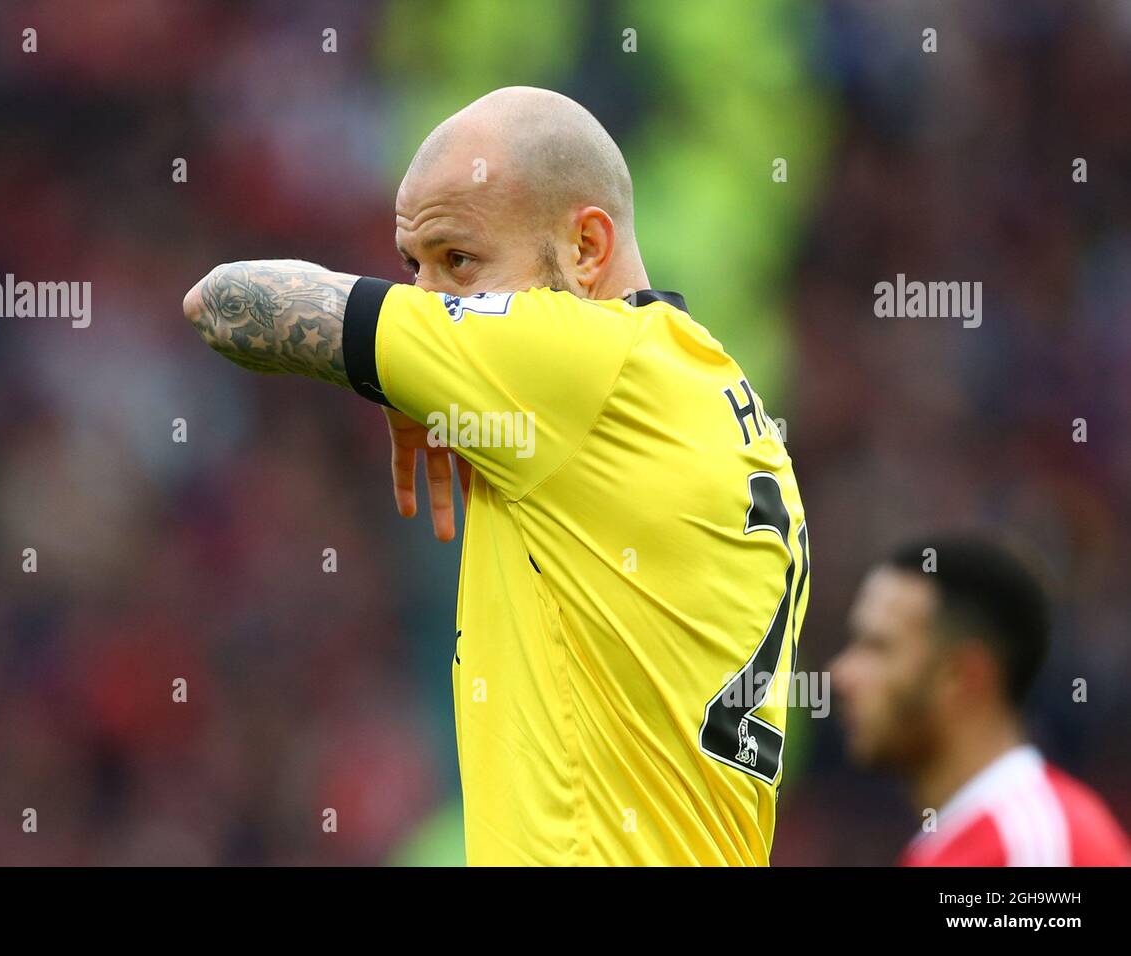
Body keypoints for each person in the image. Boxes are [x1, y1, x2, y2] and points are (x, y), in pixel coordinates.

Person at [184, 87, 809, 865]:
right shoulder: (721, 406)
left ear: (586, 248)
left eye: (459, 262)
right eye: (413, 268)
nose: (430, 300)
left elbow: (227, 302)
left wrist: (396, 369)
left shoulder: (576, 359)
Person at [832, 536, 1131, 866]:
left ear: (962, 676)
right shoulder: (950, 849)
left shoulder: (1030, 849)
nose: (840, 674)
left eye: (878, 647)